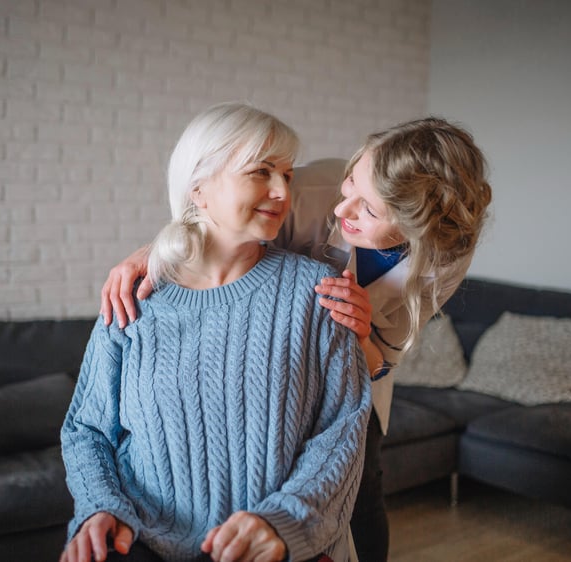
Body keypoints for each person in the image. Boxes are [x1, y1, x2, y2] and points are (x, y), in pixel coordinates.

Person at [99, 116, 493, 561]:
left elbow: (384, 357)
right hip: (262, 367)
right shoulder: (304, 191)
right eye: (349, 186)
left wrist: (360, 338)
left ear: (414, 231)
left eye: (367, 209)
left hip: (353, 378)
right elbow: (214, 229)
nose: (342, 210)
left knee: (358, 497)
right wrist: (148, 254)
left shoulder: (441, 258)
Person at [61, 102, 372, 562]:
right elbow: (87, 429)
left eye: (286, 174)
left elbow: (342, 429)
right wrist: (99, 508)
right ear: (199, 189)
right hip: (141, 541)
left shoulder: (318, 292)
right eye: (262, 172)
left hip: (268, 545)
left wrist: (283, 522)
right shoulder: (133, 298)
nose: (282, 191)